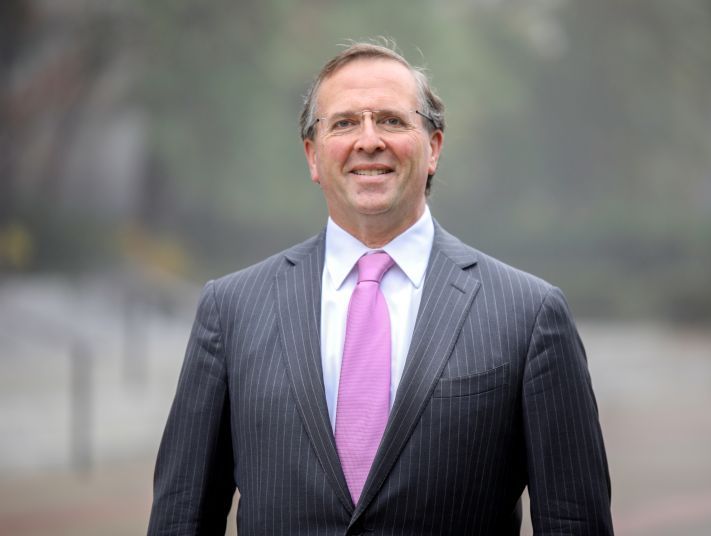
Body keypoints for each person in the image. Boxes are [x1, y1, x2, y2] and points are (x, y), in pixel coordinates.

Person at [148, 41, 613, 535]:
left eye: (392, 120)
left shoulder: (529, 314)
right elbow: (183, 516)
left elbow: (573, 522)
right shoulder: (232, 310)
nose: (369, 140)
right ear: (312, 155)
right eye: (345, 123)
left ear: (433, 147)